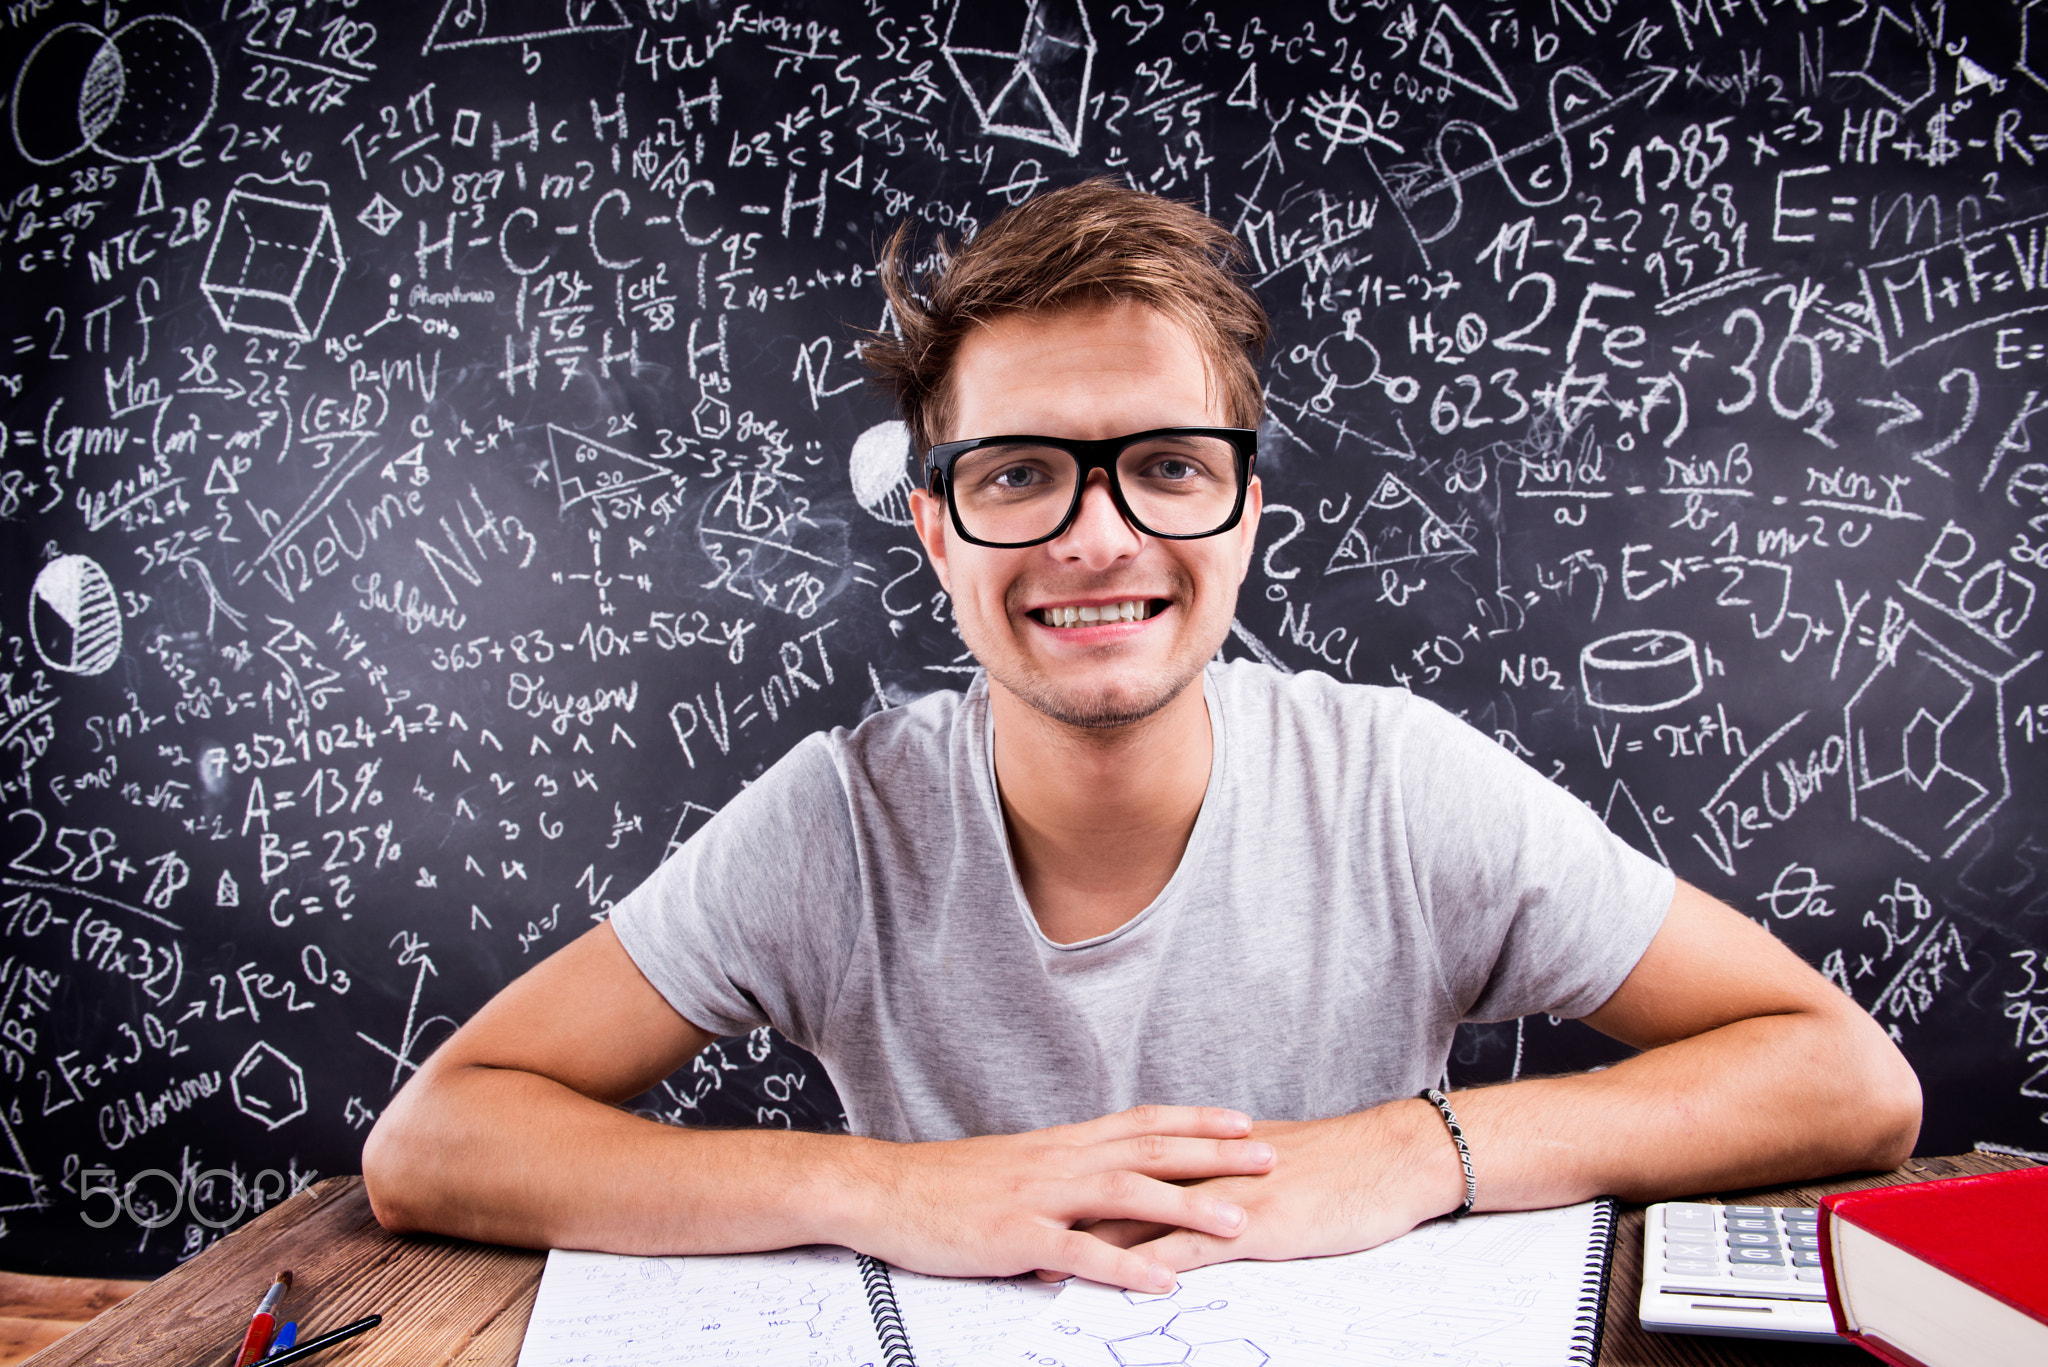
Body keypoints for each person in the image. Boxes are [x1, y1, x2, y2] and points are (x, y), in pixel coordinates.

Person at [362, 179, 1920, 1294]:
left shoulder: (1395, 782)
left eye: (1166, 467)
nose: (1098, 539)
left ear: (1244, 506)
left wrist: (1413, 1147)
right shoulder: (839, 825)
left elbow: (1845, 1079)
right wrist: (893, 1193)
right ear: (934, 528)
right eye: (1020, 473)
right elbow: (436, 1142)